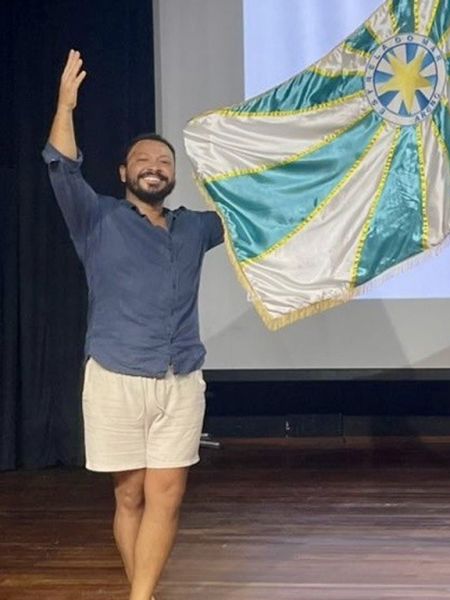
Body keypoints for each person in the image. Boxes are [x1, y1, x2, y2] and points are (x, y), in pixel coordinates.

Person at [43, 49, 224, 600]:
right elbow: (59, 162)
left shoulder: (195, 228)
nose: (154, 166)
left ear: (172, 176)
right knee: (129, 497)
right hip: (116, 375)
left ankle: (139, 597)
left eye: (164, 162)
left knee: (167, 491)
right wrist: (65, 103)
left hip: (180, 377)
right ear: (124, 173)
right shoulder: (94, 217)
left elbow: (255, 213)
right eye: (144, 160)